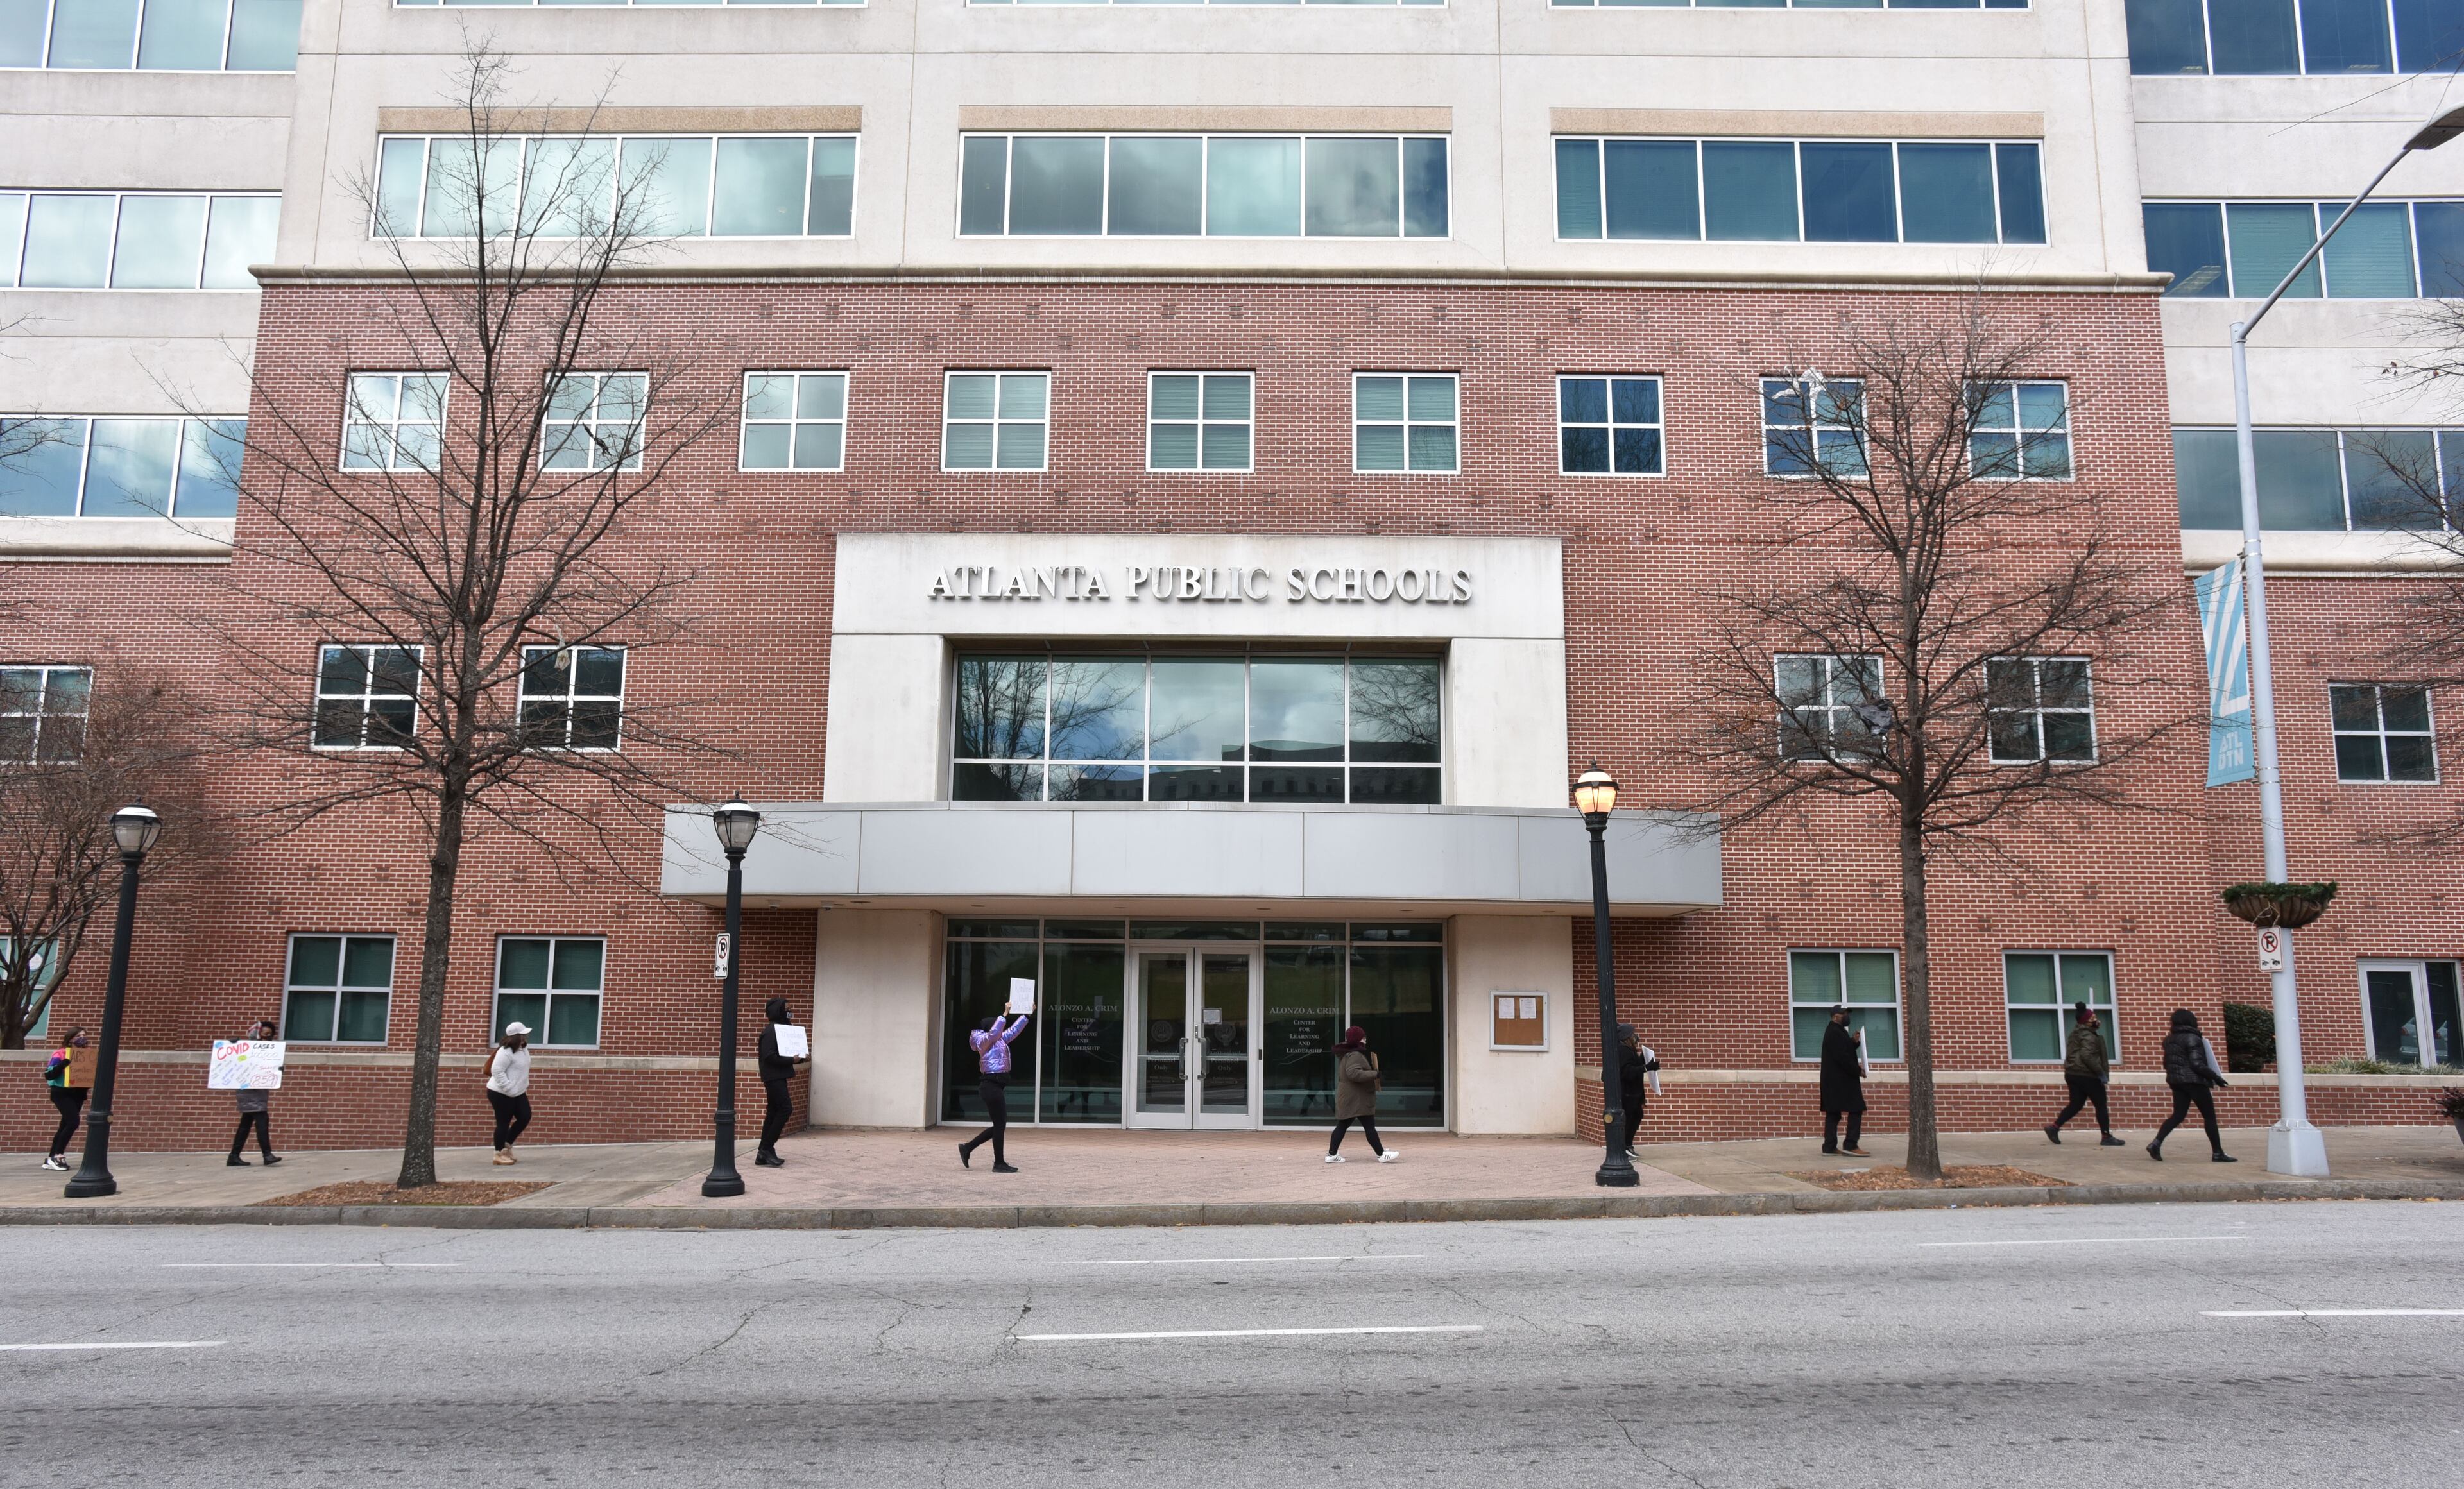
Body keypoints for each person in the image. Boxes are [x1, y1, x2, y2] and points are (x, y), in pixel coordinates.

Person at [2150, 1007, 2235, 1162]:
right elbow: (2197, 1064)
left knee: (2178, 1115)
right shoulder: (2193, 1038)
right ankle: (2218, 1152)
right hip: (2194, 1081)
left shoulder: (2169, 1040)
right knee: (2209, 1117)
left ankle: (2156, 1143)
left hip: (2176, 1082)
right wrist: (2216, 1077)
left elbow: (2167, 1063)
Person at [2044, 1003, 2126, 1146]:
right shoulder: (2089, 1036)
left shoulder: (2076, 1033)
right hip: (2087, 1075)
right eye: (2093, 1018)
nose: (2096, 1020)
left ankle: (2054, 1127)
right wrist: (2100, 1072)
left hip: (2072, 1073)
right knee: (2101, 1104)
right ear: (2086, 1021)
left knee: (2076, 1104)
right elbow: (2087, 1056)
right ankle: (2106, 1136)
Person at [957, 1010, 1026, 1173]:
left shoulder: (999, 1040)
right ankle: (998, 1163)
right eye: (997, 1026)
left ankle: (968, 1148)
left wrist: (1027, 1015)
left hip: (995, 1087)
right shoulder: (983, 1041)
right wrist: (1005, 1014)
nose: (1001, 1030)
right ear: (991, 1027)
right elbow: (993, 1034)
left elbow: (1013, 1031)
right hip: (990, 1086)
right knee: (1000, 1125)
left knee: (999, 1125)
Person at [1327, 1025, 1398, 1163]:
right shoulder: (1355, 1055)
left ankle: (1332, 1155)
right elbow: (1353, 1073)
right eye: (1363, 1038)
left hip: (1352, 1098)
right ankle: (1381, 1154)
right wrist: (1375, 1074)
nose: (1366, 1040)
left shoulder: (1349, 1054)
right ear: (1357, 1040)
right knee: (1368, 1126)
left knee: (1344, 1125)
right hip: (1357, 1099)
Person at [754, 997, 803, 1168]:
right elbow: (769, 1056)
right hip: (772, 1077)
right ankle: (767, 1148)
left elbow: (784, 1054)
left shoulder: (782, 1030)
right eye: (787, 1008)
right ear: (778, 1010)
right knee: (785, 1109)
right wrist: (791, 1060)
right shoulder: (771, 1031)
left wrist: (800, 1059)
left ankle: (763, 1152)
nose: (790, 1012)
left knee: (773, 1112)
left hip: (778, 1076)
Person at [227, 1019, 281, 1168]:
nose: (267, 1038)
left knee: (245, 1125)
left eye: (270, 1035)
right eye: (264, 1034)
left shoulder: (266, 1051)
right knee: (262, 1122)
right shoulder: (244, 1050)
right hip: (249, 1092)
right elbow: (233, 1062)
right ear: (257, 1033)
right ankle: (267, 1154)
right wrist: (232, 1046)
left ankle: (234, 1156)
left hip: (259, 1093)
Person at [41, 1027, 93, 1172]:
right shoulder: (61, 1053)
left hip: (78, 1093)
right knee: (73, 1122)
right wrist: (63, 1064)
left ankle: (51, 1157)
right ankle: (58, 1155)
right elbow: (49, 1074)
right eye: (79, 1036)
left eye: (84, 1035)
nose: (82, 1038)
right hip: (62, 1093)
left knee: (64, 1125)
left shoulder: (89, 1055)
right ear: (70, 1038)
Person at [1819, 1007, 1869, 1157]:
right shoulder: (1835, 1032)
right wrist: (1857, 1071)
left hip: (1834, 1081)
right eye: (1844, 1014)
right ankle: (1851, 1144)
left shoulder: (1837, 1030)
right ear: (1835, 1017)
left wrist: (1854, 1042)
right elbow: (1843, 1058)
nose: (1847, 1017)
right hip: (1841, 1081)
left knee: (1833, 1113)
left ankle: (1829, 1147)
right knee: (1856, 1108)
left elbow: (1844, 1049)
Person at [486, 1021, 533, 1164]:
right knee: (503, 1123)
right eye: (523, 1035)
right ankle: (498, 1154)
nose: (526, 1037)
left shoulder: (523, 1049)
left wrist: (521, 1086)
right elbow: (497, 1071)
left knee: (525, 1116)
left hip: (518, 1092)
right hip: (501, 1093)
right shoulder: (505, 1052)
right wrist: (508, 1088)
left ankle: (506, 1145)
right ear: (515, 1037)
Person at [1614, 1023, 1659, 1159]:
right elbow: (1627, 1071)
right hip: (1627, 1094)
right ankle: (1624, 1146)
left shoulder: (1629, 1050)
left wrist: (1642, 1060)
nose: (1635, 1036)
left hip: (1633, 1093)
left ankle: (1628, 1145)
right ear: (1627, 1036)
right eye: (1633, 1034)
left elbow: (1633, 1065)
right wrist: (1646, 1068)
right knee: (1631, 1118)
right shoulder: (1623, 1050)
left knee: (1637, 1115)